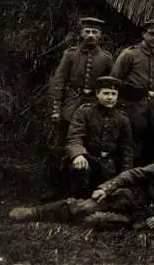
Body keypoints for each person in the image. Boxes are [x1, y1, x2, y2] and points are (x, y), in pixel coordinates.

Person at [8, 142, 154, 230]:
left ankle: (63, 219)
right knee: (82, 206)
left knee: (95, 220)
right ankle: (34, 213)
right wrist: (107, 187)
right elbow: (132, 174)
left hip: (141, 218)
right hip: (127, 199)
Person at [47, 17, 113, 200]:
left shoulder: (106, 58)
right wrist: (56, 109)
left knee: (88, 147)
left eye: (95, 32)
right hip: (70, 106)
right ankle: (55, 189)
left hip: (93, 106)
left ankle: (83, 190)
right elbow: (59, 82)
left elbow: (110, 86)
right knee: (60, 147)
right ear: (81, 33)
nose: (91, 35)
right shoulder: (70, 55)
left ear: (100, 36)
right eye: (87, 31)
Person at [110, 19, 154, 165]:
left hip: (153, 112)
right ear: (144, 34)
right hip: (131, 108)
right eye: (152, 34)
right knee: (129, 146)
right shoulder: (129, 54)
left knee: (150, 148)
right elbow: (114, 81)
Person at [64, 76, 134, 198]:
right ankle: (77, 201)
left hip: (110, 167)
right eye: (106, 93)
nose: (110, 97)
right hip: (88, 161)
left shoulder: (123, 119)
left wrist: (126, 175)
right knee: (80, 170)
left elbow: (126, 149)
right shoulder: (84, 112)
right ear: (97, 94)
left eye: (114, 94)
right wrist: (78, 154)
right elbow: (74, 137)